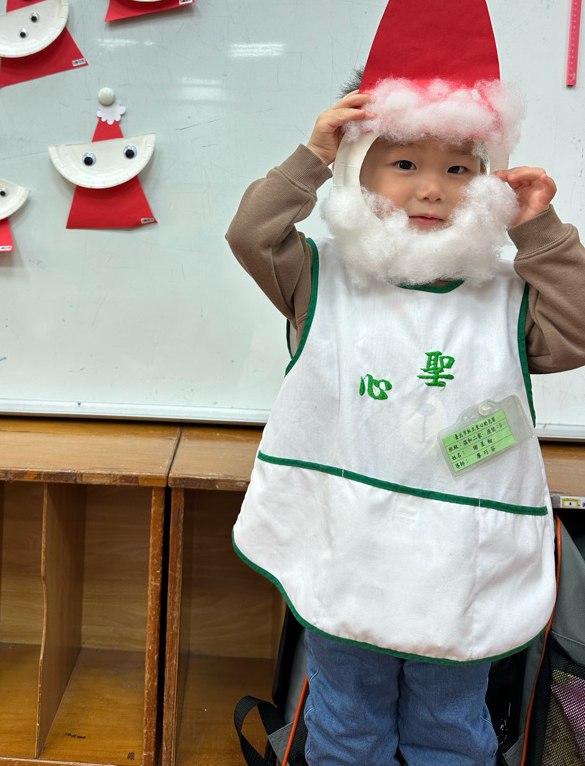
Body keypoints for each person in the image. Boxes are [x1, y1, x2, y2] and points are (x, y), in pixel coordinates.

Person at [226, 84, 585, 766]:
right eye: (404, 164)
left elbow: (578, 329)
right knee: (346, 724)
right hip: (347, 554)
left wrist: (538, 230)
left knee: (449, 727)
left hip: (458, 570)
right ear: (357, 172)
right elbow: (251, 234)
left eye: (458, 168)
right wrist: (312, 157)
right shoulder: (318, 279)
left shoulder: (505, 297)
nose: (431, 188)